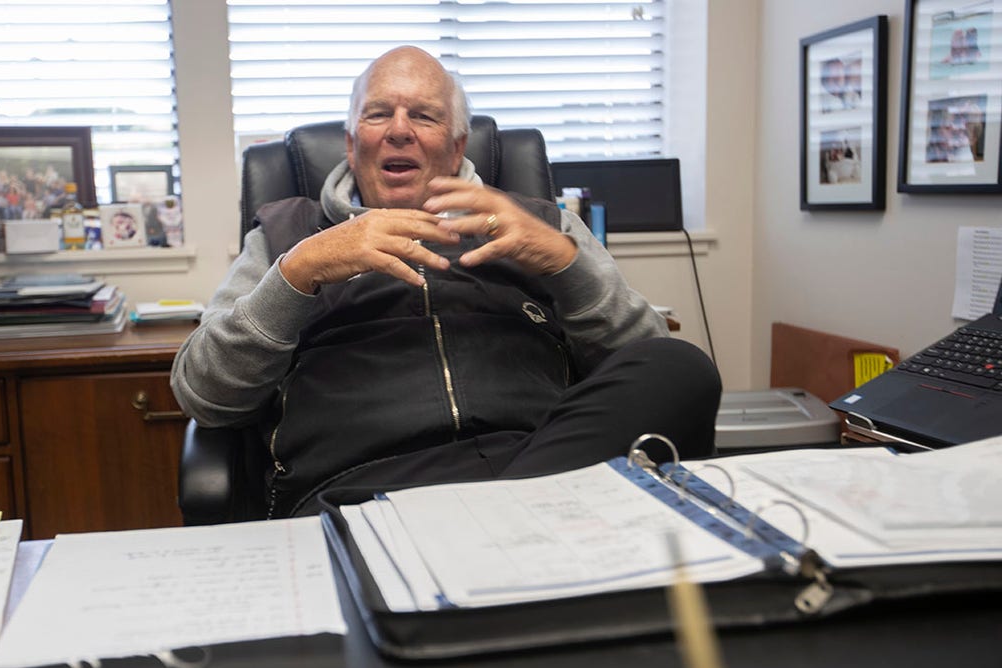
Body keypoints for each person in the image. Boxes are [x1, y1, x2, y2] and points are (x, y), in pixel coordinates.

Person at [171, 46, 721, 519]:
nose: (400, 130)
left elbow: (641, 361)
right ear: (350, 142)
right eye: (378, 114)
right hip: (365, 493)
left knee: (682, 366)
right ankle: (501, 534)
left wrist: (566, 266)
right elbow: (205, 396)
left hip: (538, 467)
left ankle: (494, 526)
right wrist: (298, 274)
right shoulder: (286, 237)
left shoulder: (541, 224)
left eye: (425, 116)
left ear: (458, 147)